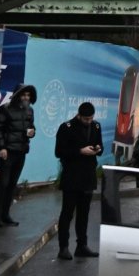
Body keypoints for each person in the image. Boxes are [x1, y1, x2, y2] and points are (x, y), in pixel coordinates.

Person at [55, 102, 104, 260]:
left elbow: (100, 146)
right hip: (72, 175)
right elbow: (59, 151)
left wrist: (97, 149)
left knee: (84, 213)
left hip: (88, 175)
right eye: (85, 119)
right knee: (67, 213)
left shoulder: (96, 127)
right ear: (79, 115)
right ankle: (63, 247)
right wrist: (80, 151)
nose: (88, 121)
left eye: (91, 118)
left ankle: (82, 245)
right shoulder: (66, 127)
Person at [0, 83, 38, 227]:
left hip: (21, 151)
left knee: (12, 185)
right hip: (7, 152)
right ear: (17, 95)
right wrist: (1, 147)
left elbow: (31, 127)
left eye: (28, 95)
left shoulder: (30, 111)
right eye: (24, 95)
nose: (26, 97)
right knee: (3, 184)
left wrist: (32, 132)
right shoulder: (5, 109)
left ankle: (6, 215)